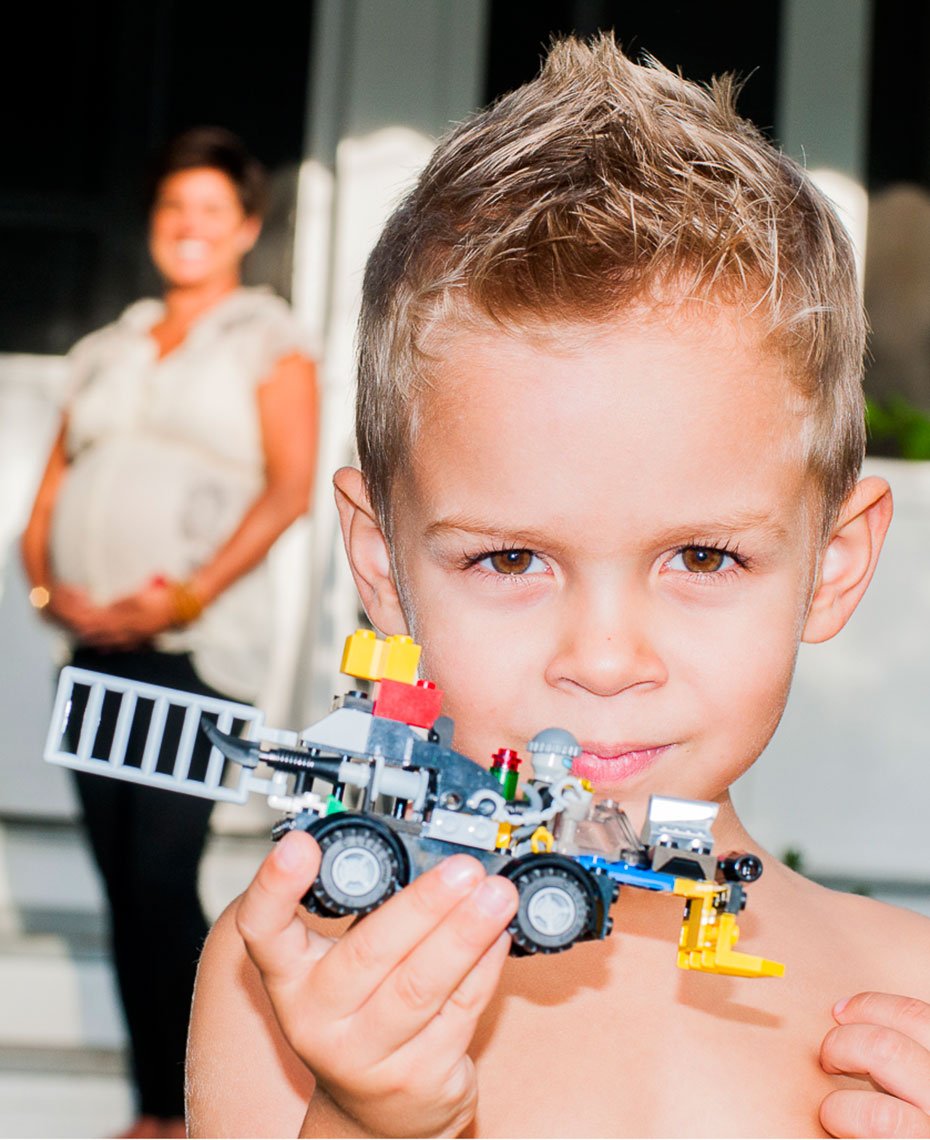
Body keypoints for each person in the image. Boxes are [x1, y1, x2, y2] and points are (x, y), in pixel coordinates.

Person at [185, 38, 930, 1138]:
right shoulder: (304, 973)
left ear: (836, 564)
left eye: (703, 557)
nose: (605, 657)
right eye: (510, 560)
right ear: (381, 562)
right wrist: (365, 1117)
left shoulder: (910, 996)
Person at [22, 127, 318, 1139]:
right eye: (172, 208)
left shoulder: (267, 337)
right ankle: (156, 1111)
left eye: (210, 210)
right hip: (92, 653)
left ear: (245, 226)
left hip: (196, 654)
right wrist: (48, 589)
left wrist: (182, 598)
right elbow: (46, 500)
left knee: (160, 875)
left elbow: (288, 490)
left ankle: (217, 1108)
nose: (188, 227)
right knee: (120, 884)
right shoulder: (107, 347)